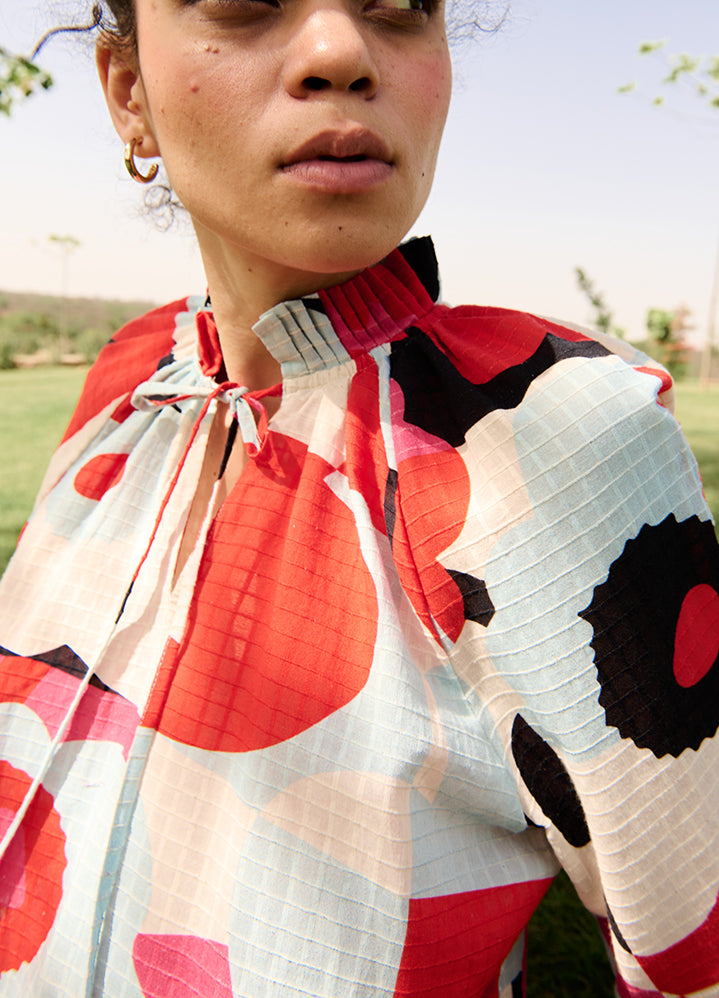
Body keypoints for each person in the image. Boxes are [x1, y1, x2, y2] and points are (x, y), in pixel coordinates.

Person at [0, 0, 718, 994]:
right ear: (129, 90)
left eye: (398, 8)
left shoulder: (546, 435)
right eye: (246, 4)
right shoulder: (125, 388)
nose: (341, 50)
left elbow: (694, 961)